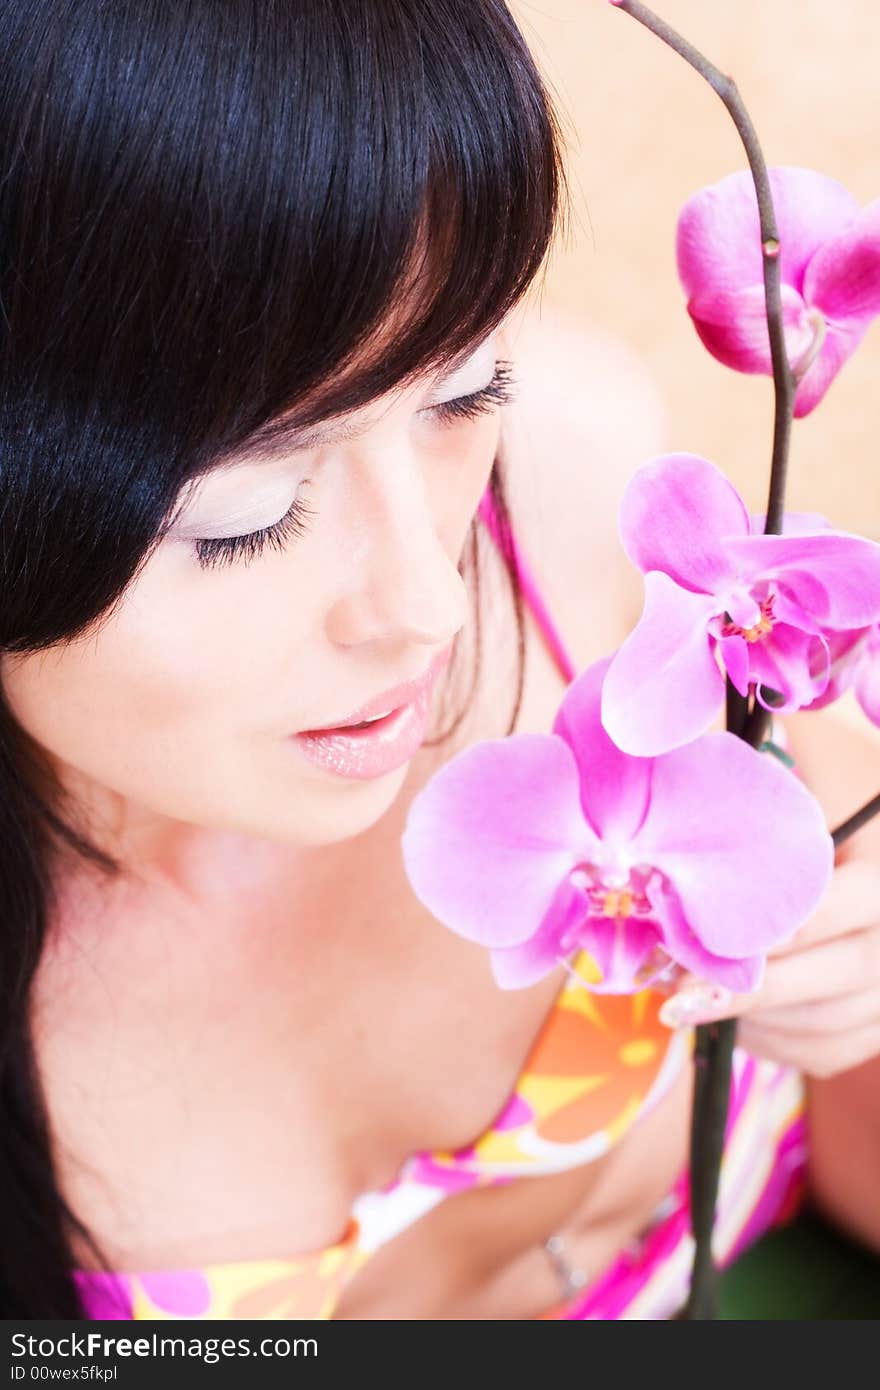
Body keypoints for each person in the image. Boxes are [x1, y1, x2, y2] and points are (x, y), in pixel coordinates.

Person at [1, 1, 878, 1322]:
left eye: (463, 388)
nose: (426, 600)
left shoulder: (581, 510)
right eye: (244, 517)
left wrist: (854, 999)